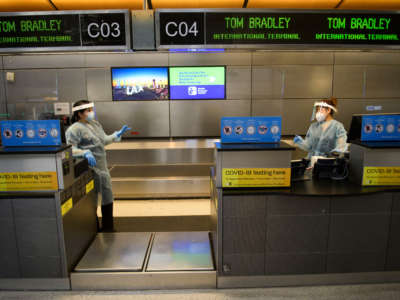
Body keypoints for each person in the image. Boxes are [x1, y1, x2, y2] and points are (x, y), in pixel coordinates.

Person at [66, 100, 131, 232]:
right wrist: (84, 153)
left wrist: (116, 134)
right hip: (90, 169)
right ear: (79, 114)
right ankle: (91, 228)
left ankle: (108, 227)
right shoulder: (74, 129)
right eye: (88, 110)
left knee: (107, 195)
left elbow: (103, 140)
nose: (92, 112)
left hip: (102, 167)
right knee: (92, 199)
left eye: (91, 109)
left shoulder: (95, 124)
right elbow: (70, 149)